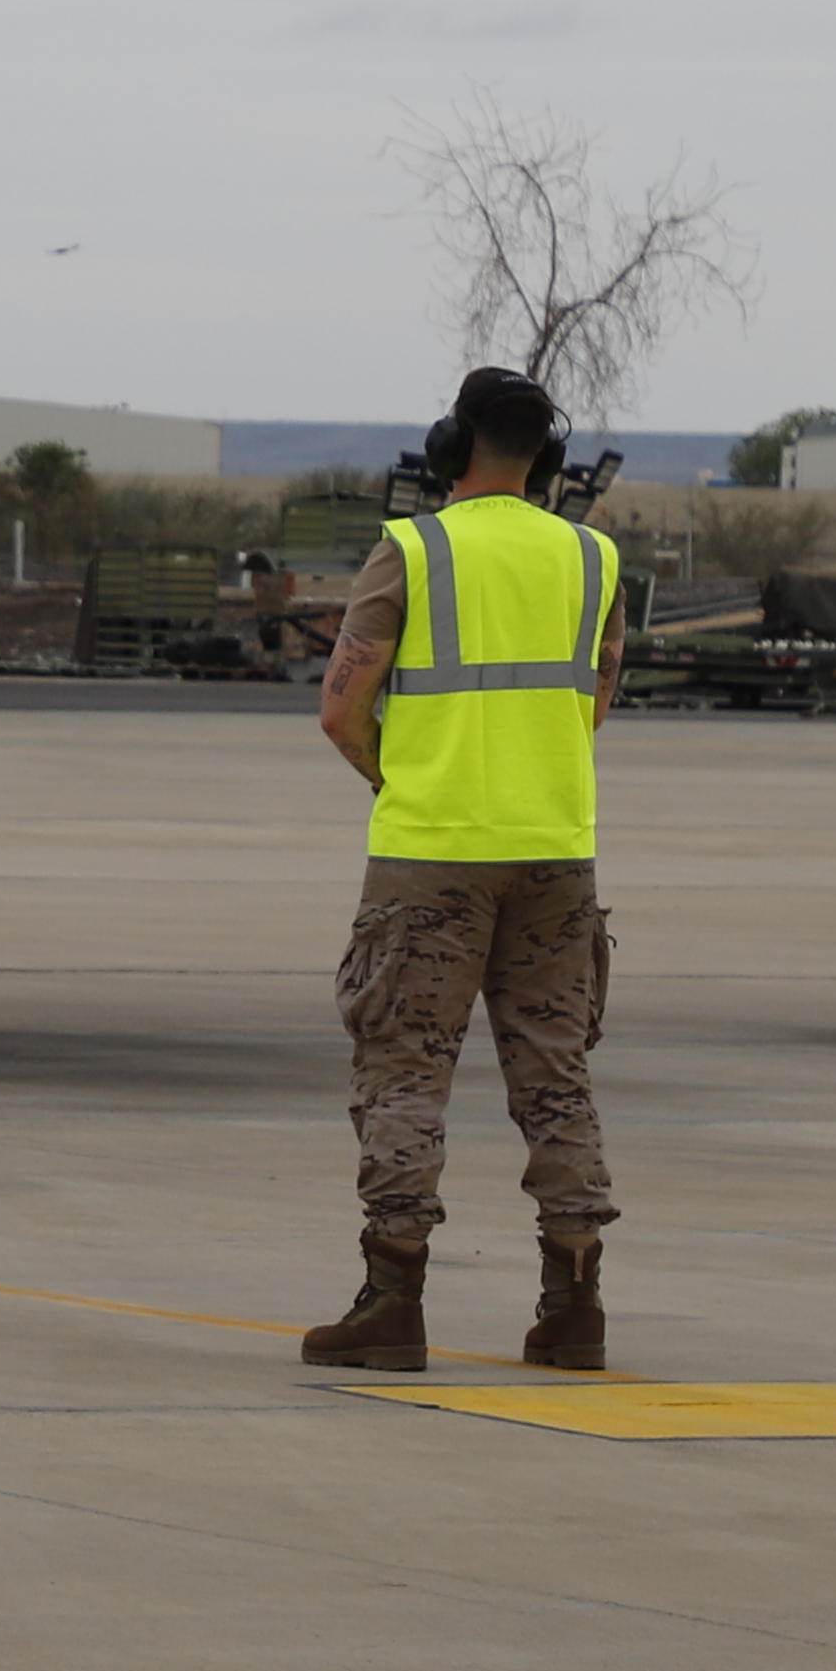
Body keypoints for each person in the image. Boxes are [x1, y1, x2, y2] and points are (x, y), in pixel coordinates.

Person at [295, 366, 633, 1373]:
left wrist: (397, 777)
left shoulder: (413, 550)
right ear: (547, 459)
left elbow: (341, 709)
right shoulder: (593, 557)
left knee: (405, 1067)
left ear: (453, 448)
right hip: (556, 852)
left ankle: (392, 1297)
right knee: (557, 1077)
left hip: (432, 853)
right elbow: (596, 698)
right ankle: (574, 1307)